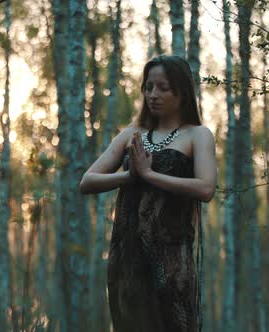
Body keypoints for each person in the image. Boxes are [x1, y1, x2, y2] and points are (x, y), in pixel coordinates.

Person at [79, 54, 216, 332]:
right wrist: (130, 176)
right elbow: (87, 181)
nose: (153, 94)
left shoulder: (197, 135)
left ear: (182, 91)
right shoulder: (132, 133)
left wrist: (149, 175)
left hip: (171, 258)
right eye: (148, 87)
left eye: (163, 88)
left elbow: (205, 188)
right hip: (128, 259)